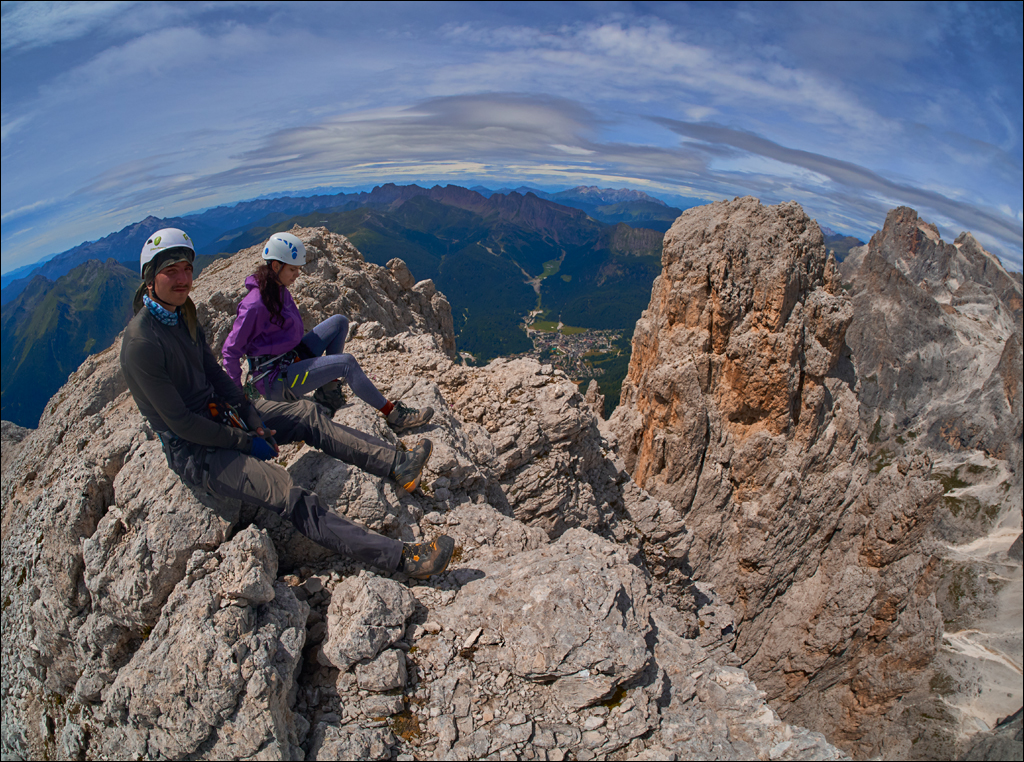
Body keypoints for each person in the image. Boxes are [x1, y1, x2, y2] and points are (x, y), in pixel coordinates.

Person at [119, 227, 454, 579]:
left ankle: (396, 463)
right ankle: (403, 559)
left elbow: (215, 374)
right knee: (288, 492)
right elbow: (181, 423)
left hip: (224, 416)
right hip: (198, 453)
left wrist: (249, 413)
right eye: (171, 271)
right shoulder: (142, 343)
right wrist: (246, 440)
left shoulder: (183, 315)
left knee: (308, 415)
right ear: (149, 278)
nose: (184, 278)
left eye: (187, 268)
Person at [221, 232, 433, 431]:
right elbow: (230, 351)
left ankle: (329, 394)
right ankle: (394, 415)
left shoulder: (276, 288)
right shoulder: (254, 305)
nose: (297, 274)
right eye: (292, 269)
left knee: (339, 322)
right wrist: (238, 397)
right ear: (276, 265)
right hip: (275, 380)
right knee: (346, 363)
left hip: (288, 359)